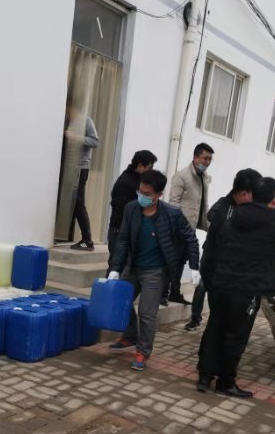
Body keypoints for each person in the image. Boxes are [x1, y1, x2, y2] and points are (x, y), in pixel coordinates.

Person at [197, 176, 275, 398]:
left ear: (252, 195)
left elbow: (219, 245)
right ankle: (226, 382)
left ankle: (204, 377)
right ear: (273, 200)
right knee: (236, 336)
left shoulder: (233, 217)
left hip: (222, 284)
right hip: (247, 291)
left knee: (214, 328)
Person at [107, 170, 199, 371]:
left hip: (155, 272)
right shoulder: (132, 208)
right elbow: (123, 239)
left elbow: (190, 238)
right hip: (133, 266)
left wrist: (194, 266)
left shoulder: (172, 214)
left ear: (159, 194)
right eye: (140, 191)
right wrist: (115, 268)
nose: (142, 196)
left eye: (147, 194)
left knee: (147, 313)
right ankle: (130, 335)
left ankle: (143, 351)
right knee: (119, 301)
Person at [185, 168, 262, 331]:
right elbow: (211, 217)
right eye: (253, 195)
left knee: (220, 321)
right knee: (203, 290)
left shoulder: (246, 209)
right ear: (244, 193)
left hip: (228, 277)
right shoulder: (225, 207)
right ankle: (196, 318)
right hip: (215, 268)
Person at [164, 142, 214, 305]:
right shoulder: (182, 176)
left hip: (191, 228)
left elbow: (203, 204)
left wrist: (208, 225)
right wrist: (178, 225)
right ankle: (163, 292)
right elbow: (173, 202)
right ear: (195, 158)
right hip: (179, 227)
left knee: (181, 260)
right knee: (172, 260)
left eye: (210, 159)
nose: (207, 162)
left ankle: (174, 292)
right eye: (205, 158)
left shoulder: (204, 178)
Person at [107, 150, 158, 259]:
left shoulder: (140, 180)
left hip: (133, 231)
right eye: (150, 167)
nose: (151, 170)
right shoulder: (125, 183)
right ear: (140, 166)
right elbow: (121, 211)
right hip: (120, 232)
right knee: (117, 264)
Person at [65, 107, 100, 251]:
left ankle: (87, 241)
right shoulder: (68, 121)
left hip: (80, 168)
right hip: (68, 168)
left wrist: (76, 137)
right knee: (70, 203)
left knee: (78, 203)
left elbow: (95, 141)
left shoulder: (86, 121)